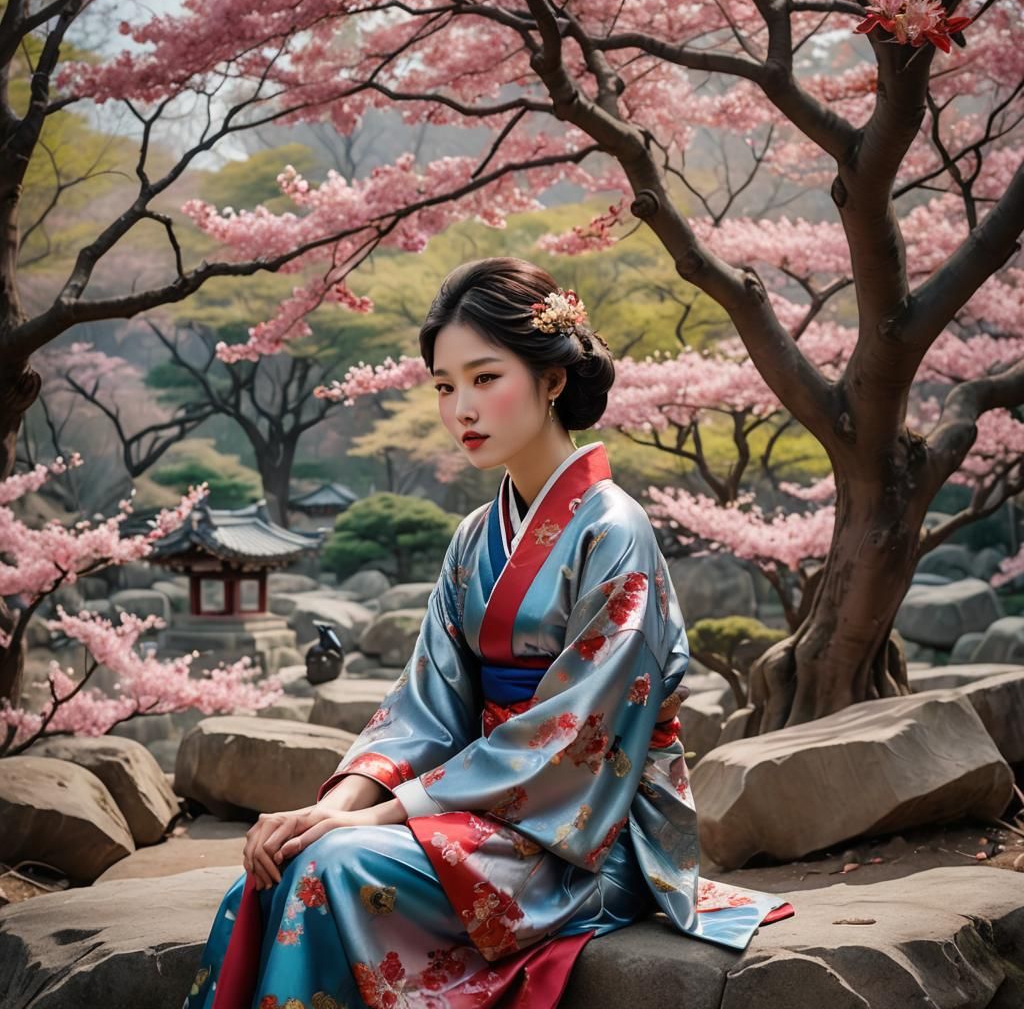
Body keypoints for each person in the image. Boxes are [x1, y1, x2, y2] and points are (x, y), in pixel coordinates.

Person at [184, 257, 793, 1009]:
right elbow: (424, 706)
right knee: (285, 860)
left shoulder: (616, 530)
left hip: (587, 838)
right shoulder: (476, 536)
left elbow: (576, 739)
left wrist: (374, 818)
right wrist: (332, 806)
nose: (460, 408)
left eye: (484, 377)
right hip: (483, 814)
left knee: (332, 867)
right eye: (444, 386)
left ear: (553, 379)